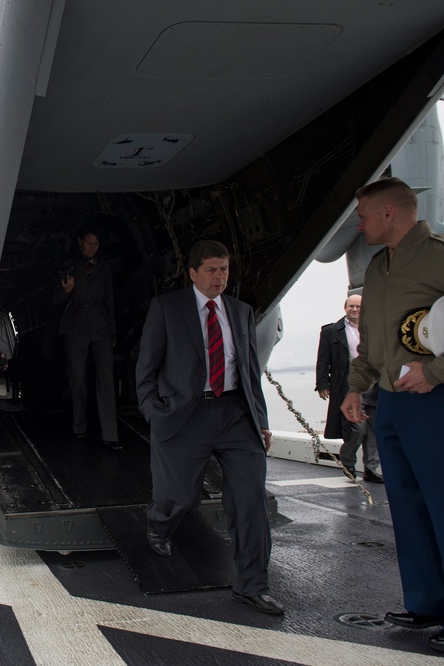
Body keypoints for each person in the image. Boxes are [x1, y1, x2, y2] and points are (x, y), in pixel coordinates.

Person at [136, 240, 283, 615]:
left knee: (250, 503)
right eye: (212, 270)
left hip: (235, 415)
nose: (220, 277)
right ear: (193, 273)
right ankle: (159, 523)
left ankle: (252, 585)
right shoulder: (167, 308)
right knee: (180, 496)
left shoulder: (241, 311)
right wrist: (154, 410)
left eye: (225, 270)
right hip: (187, 415)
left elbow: (250, 373)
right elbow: (146, 368)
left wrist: (260, 421)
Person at [341, 176, 444, 653]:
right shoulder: (379, 269)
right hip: (392, 403)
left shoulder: (439, 255)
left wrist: (436, 372)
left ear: (388, 213)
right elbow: (371, 345)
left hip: (434, 401)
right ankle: (426, 603)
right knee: (406, 506)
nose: (358, 225)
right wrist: (355, 387)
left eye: (363, 216)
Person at [55, 226, 119, 447]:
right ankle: (79, 425)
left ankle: (111, 435)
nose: (92, 247)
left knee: (106, 379)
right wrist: (67, 292)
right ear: (80, 242)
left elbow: (110, 299)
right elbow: (54, 302)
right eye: (89, 243)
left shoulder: (105, 268)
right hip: (76, 327)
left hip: (101, 326)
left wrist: (112, 330)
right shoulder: (69, 267)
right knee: (79, 379)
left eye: (96, 244)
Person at [315, 295, 382, 482]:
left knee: (374, 429)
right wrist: (322, 384)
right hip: (349, 387)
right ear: (345, 307)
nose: (355, 309)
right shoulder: (331, 331)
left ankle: (371, 469)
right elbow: (323, 360)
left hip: (375, 386)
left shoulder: (374, 328)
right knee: (357, 429)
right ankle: (348, 464)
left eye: (359, 306)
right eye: (351, 306)